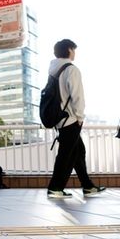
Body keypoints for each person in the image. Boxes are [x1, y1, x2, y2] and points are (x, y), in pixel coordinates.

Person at [45, 39, 107, 199]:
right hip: (71, 118)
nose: (75, 53)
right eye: (74, 49)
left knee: (78, 151)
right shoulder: (71, 69)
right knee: (66, 155)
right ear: (69, 50)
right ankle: (55, 188)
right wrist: (80, 116)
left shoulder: (53, 69)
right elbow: (77, 95)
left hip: (60, 118)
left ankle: (87, 186)